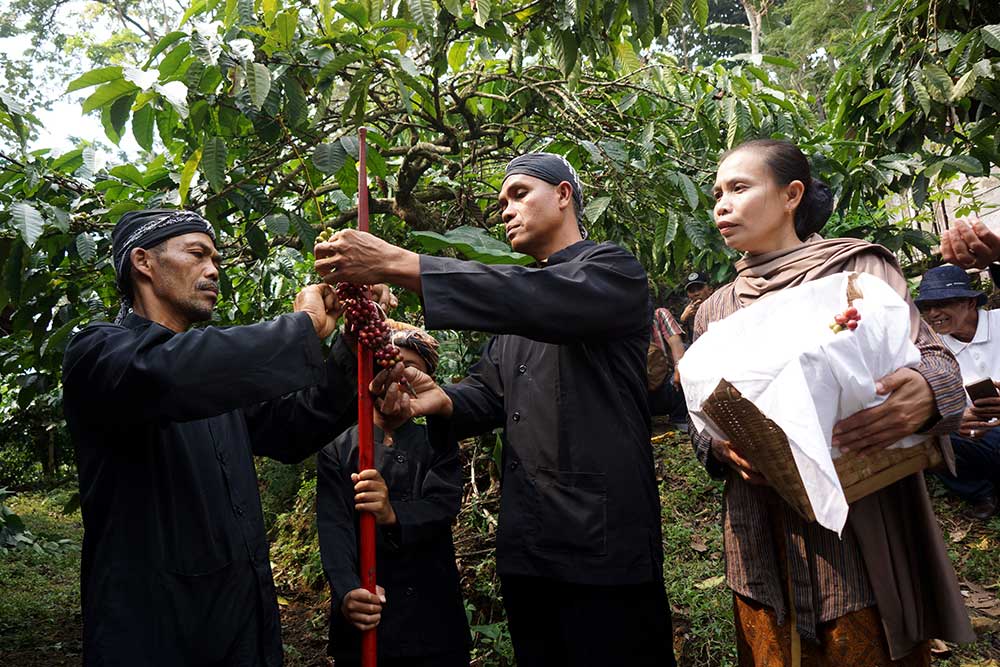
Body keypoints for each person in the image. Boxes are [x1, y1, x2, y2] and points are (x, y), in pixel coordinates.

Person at [313, 152, 675, 667]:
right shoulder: (519, 307)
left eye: (520, 194)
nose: (505, 209)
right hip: (530, 544)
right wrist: (439, 400)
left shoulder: (610, 270)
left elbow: (536, 299)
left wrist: (398, 262)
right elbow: (490, 395)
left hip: (602, 544)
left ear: (565, 195)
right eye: (501, 201)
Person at [61, 209, 385, 666]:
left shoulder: (215, 378)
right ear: (142, 262)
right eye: (197, 254)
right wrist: (302, 327)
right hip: (155, 632)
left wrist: (350, 341)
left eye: (216, 258)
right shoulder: (98, 352)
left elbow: (294, 427)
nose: (213, 269)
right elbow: (169, 374)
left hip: (242, 623)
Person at [693, 139, 973, 665]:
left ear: (791, 194)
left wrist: (925, 392)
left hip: (859, 528)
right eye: (716, 194)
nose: (721, 205)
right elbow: (701, 417)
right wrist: (719, 446)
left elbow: (937, 362)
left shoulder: (855, 273)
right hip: (760, 536)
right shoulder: (715, 309)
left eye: (739, 187)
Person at [317, 322, 471, 667]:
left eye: (411, 369)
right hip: (369, 622)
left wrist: (392, 514)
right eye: (389, 362)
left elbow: (444, 505)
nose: (397, 375)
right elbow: (333, 527)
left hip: (431, 619)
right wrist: (347, 591)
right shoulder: (339, 447)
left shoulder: (437, 440)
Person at [915, 264, 1000, 519]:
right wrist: (956, 421)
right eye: (927, 307)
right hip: (981, 436)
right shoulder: (932, 350)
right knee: (933, 434)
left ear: (970, 303)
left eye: (943, 303)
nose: (934, 313)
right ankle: (981, 493)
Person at [648, 304, 688, 423]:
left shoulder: (659, 315)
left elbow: (676, 344)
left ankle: (680, 419)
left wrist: (678, 368)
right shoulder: (619, 321)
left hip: (665, 387)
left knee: (684, 368)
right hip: (638, 393)